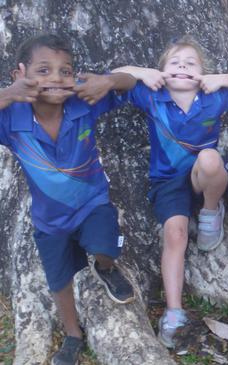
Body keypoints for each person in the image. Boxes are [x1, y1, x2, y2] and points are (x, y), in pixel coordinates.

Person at [0, 33, 137, 365]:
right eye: (43, 70)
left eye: (65, 71)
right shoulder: (11, 120)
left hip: (94, 205)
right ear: (20, 73)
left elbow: (130, 82)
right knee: (58, 280)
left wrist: (107, 81)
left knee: (109, 244)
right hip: (50, 220)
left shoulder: (82, 104)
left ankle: (105, 267)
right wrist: (8, 94)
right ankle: (73, 335)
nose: (56, 79)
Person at [113, 35, 228, 348]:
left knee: (209, 158)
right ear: (162, 72)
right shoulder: (152, 96)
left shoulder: (213, 98)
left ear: (202, 73)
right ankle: (174, 311)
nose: (183, 67)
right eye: (175, 63)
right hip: (167, 182)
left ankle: (210, 212)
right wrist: (141, 72)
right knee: (175, 234)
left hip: (203, 179)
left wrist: (217, 79)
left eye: (191, 63)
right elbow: (113, 77)